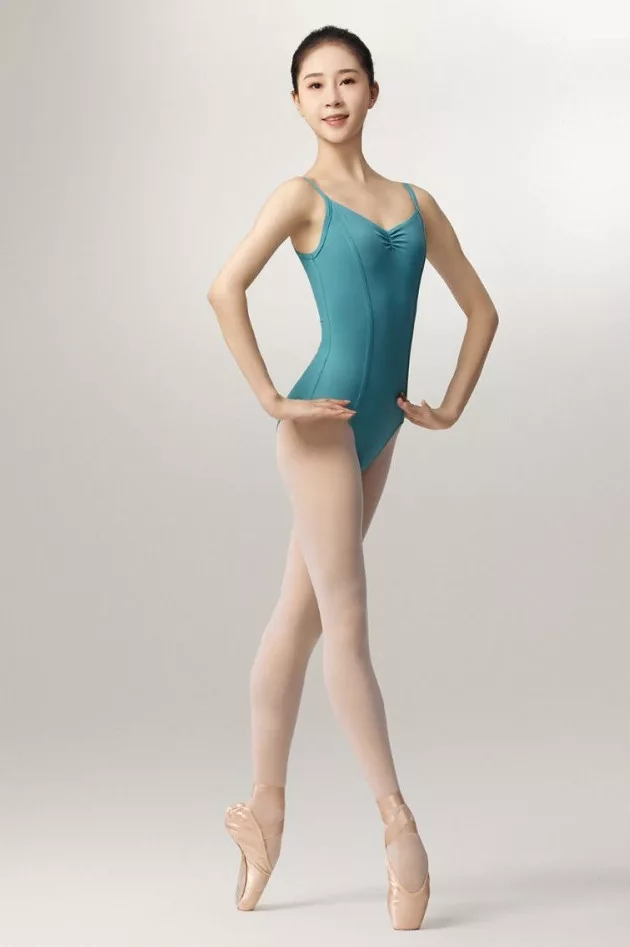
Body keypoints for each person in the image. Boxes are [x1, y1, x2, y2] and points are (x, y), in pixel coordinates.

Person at [207, 25, 499, 931]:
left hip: (379, 428)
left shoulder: (417, 203)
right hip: (322, 427)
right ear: (296, 102)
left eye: (346, 80)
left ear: (373, 91)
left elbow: (482, 310)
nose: (332, 96)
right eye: (314, 83)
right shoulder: (300, 197)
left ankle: (263, 811)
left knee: (298, 618)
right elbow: (225, 288)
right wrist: (272, 398)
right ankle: (398, 826)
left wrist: (449, 405)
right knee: (347, 619)